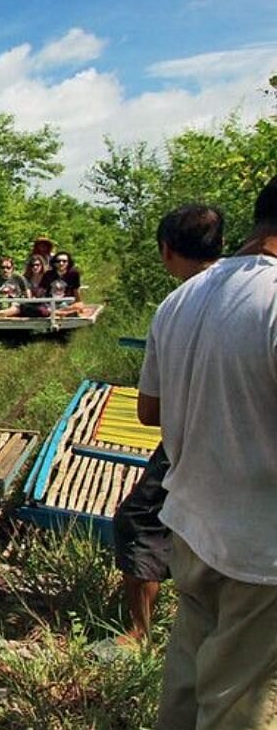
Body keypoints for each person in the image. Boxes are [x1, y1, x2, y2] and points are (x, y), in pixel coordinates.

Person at [139, 178, 277, 730]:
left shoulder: (182, 299)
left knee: (189, 692)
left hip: (193, 525)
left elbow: (151, 408)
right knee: (239, 725)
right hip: (260, 551)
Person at [112, 204, 222, 648]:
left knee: (139, 521)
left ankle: (139, 633)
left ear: (166, 250)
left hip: (197, 440)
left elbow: (149, 412)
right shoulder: (259, 291)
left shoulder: (177, 306)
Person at [40, 251, 88, 316]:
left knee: (79, 306)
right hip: (51, 302)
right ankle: (63, 313)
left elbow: (76, 290)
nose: (61, 263)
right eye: (58, 261)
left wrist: (79, 302)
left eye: (64, 261)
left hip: (67, 302)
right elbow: (42, 290)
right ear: (54, 263)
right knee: (41, 308)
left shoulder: (74, 274)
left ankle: (56, 312)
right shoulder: (48, 274)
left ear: (68, 263)